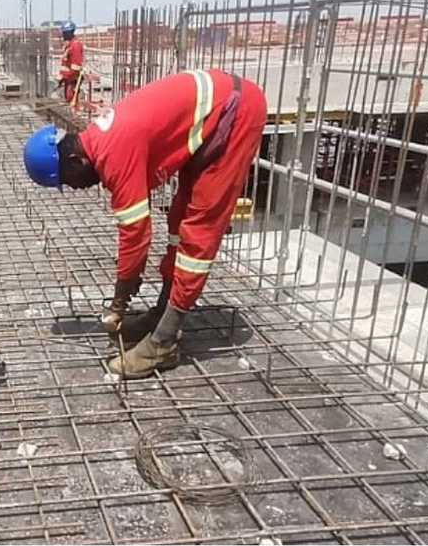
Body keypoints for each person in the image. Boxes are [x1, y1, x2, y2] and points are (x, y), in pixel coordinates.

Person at [22, 70, 267, 378]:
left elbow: (136, 235)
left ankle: (164, 342)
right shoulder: (100, 140)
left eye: (69, 181)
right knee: (179, 217)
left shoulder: (113, 154)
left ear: (74, 160)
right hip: (216, 115)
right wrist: (127, 284)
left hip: (236, 112)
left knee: (199, 230)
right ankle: (162, 313)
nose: (75, 188)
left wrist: (121, 297)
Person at [58, 21, 84, 109]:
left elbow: (75, 68)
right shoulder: (69, 46)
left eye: (65, 33)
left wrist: (65, 76)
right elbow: (65, 64)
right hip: (67, 79)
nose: (63, 35)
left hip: (73, 80)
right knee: (68, 99)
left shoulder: (75, 46)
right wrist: (62, 76)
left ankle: (75, 113)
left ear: (70, 32)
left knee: (72, 101)